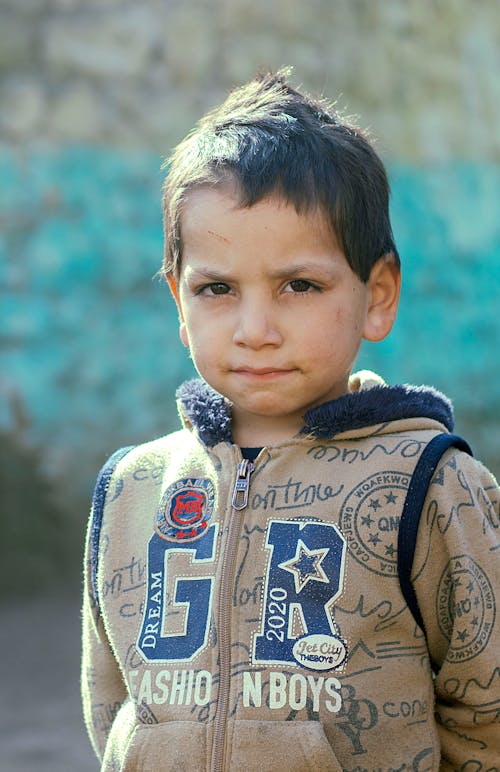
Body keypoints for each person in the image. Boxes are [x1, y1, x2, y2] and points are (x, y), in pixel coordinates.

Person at [81, 69, 500, 770]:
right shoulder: (133, 488)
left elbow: (487, 715)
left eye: (299, 286)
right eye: (216, 289)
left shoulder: (432, 485)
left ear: (378, 294)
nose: (255, 329)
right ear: (179, 304)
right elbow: (110, 703)